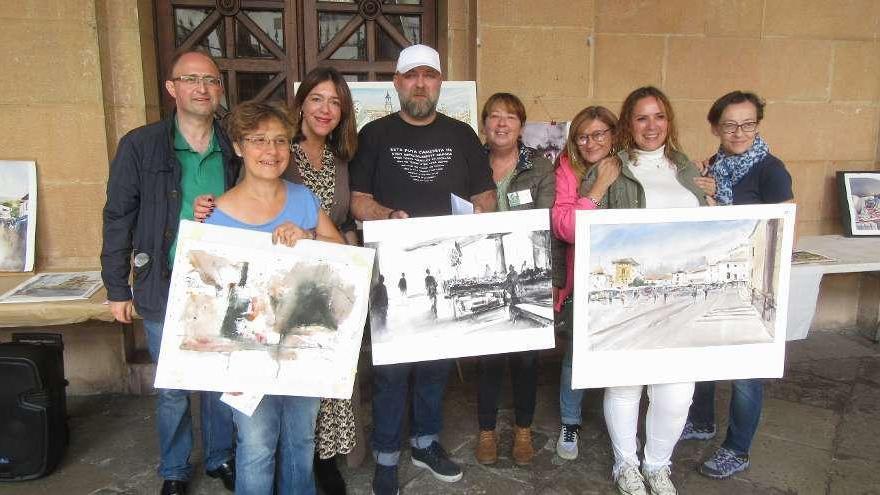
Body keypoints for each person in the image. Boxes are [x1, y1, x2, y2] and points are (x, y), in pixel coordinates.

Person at [349, 43, 496, 495]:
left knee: (435, 365)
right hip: (390, 267)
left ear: (439, 84)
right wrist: (387, 217)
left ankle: (426, 443)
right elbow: (357, 200)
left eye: (429, 75)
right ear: (397, 83)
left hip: (447, 267)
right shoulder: (374, 135)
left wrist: (471, 229)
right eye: (410, 75)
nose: (419, 83)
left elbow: (485, 197)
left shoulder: (463, 136)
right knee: (391, 370)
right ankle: (387, 456)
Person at [100, 50, 237, 495]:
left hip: (223, 282)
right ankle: (175, 470)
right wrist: (117, 286)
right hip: (165, 281)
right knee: (174, 385)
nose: (202, 88)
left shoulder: (234, 146)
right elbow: (118, 216)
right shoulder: (140, 146)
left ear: (220, 89)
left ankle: (219, 458)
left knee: (220, 381)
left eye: (211, 80)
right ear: (171, 88)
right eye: (191, 79)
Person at [207, 100, 345, 494]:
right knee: (255, 445)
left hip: (304, 343)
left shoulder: (303, 199)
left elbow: (343, 251)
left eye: (281, 141)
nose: (271, 151)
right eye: (259, 140)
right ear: (238, 146)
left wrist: (310, 238)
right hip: (245, 353)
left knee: (301, 440)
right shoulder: (216, 214)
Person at [585, 87, 715, 495]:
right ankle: (627, 464)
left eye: (658, 116)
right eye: (641, 118)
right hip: (630, 297)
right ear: (628, 124)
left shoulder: (689, 171)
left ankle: (658, 465)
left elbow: (709, 230)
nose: (651, 125)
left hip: (683, 299)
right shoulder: (610, 169)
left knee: (677, 390)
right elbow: (591, 232)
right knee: (626, 384)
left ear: (669, 120)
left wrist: (711, 202)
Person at [682, 90, 793, 480]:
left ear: (758, 124)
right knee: (706, 355)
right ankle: (701, 421)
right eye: (729, 124)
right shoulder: (713, 165)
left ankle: (738, 448)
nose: (739, 132)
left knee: (746, 373)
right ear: (715, 127)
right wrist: (699, 192)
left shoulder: (770, 170)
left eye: (747, 123)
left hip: (751, 284)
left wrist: (718, 198)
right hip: (715, 278)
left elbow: (777, 231)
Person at [474, 92, 559, 466]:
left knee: (526, 359)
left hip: (530, 270)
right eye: (494, 116)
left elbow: (548, 225)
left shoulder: (539, 167)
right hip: (485, 265)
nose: (502, 123)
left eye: (510, 117)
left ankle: (523, 429)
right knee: (487, 358)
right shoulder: (471, 162)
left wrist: (552, 277)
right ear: (485, 124)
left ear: (521, 125)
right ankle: (487, 431)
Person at [550, 105, 620, 463]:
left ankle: (620, 421)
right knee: (576, 354)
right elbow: (565, 226)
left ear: (613, 134)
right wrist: (596, 190)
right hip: (583, 278)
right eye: (583, 135)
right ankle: (570, 420)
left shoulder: (630, 164)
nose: (590, 142)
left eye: (599, 134)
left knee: (622, 350)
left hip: (622, 274)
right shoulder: (568, 168)